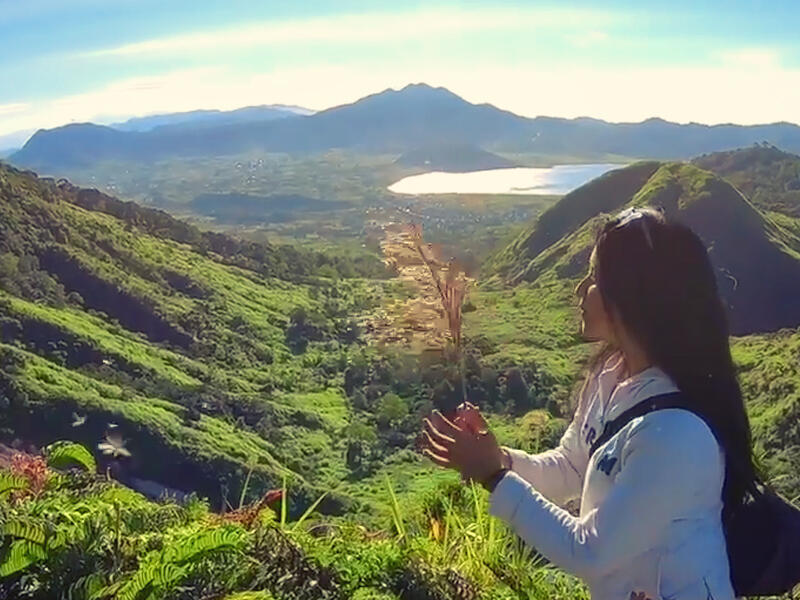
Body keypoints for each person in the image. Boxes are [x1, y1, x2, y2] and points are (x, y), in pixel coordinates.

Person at [421, 207, 762, 600]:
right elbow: (570, 467)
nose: (580, 290)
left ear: (632, 295)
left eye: (595, 278)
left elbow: (591, 551)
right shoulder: (611, 377)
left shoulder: (677, 435)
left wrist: (494, 479)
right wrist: (501, 460)